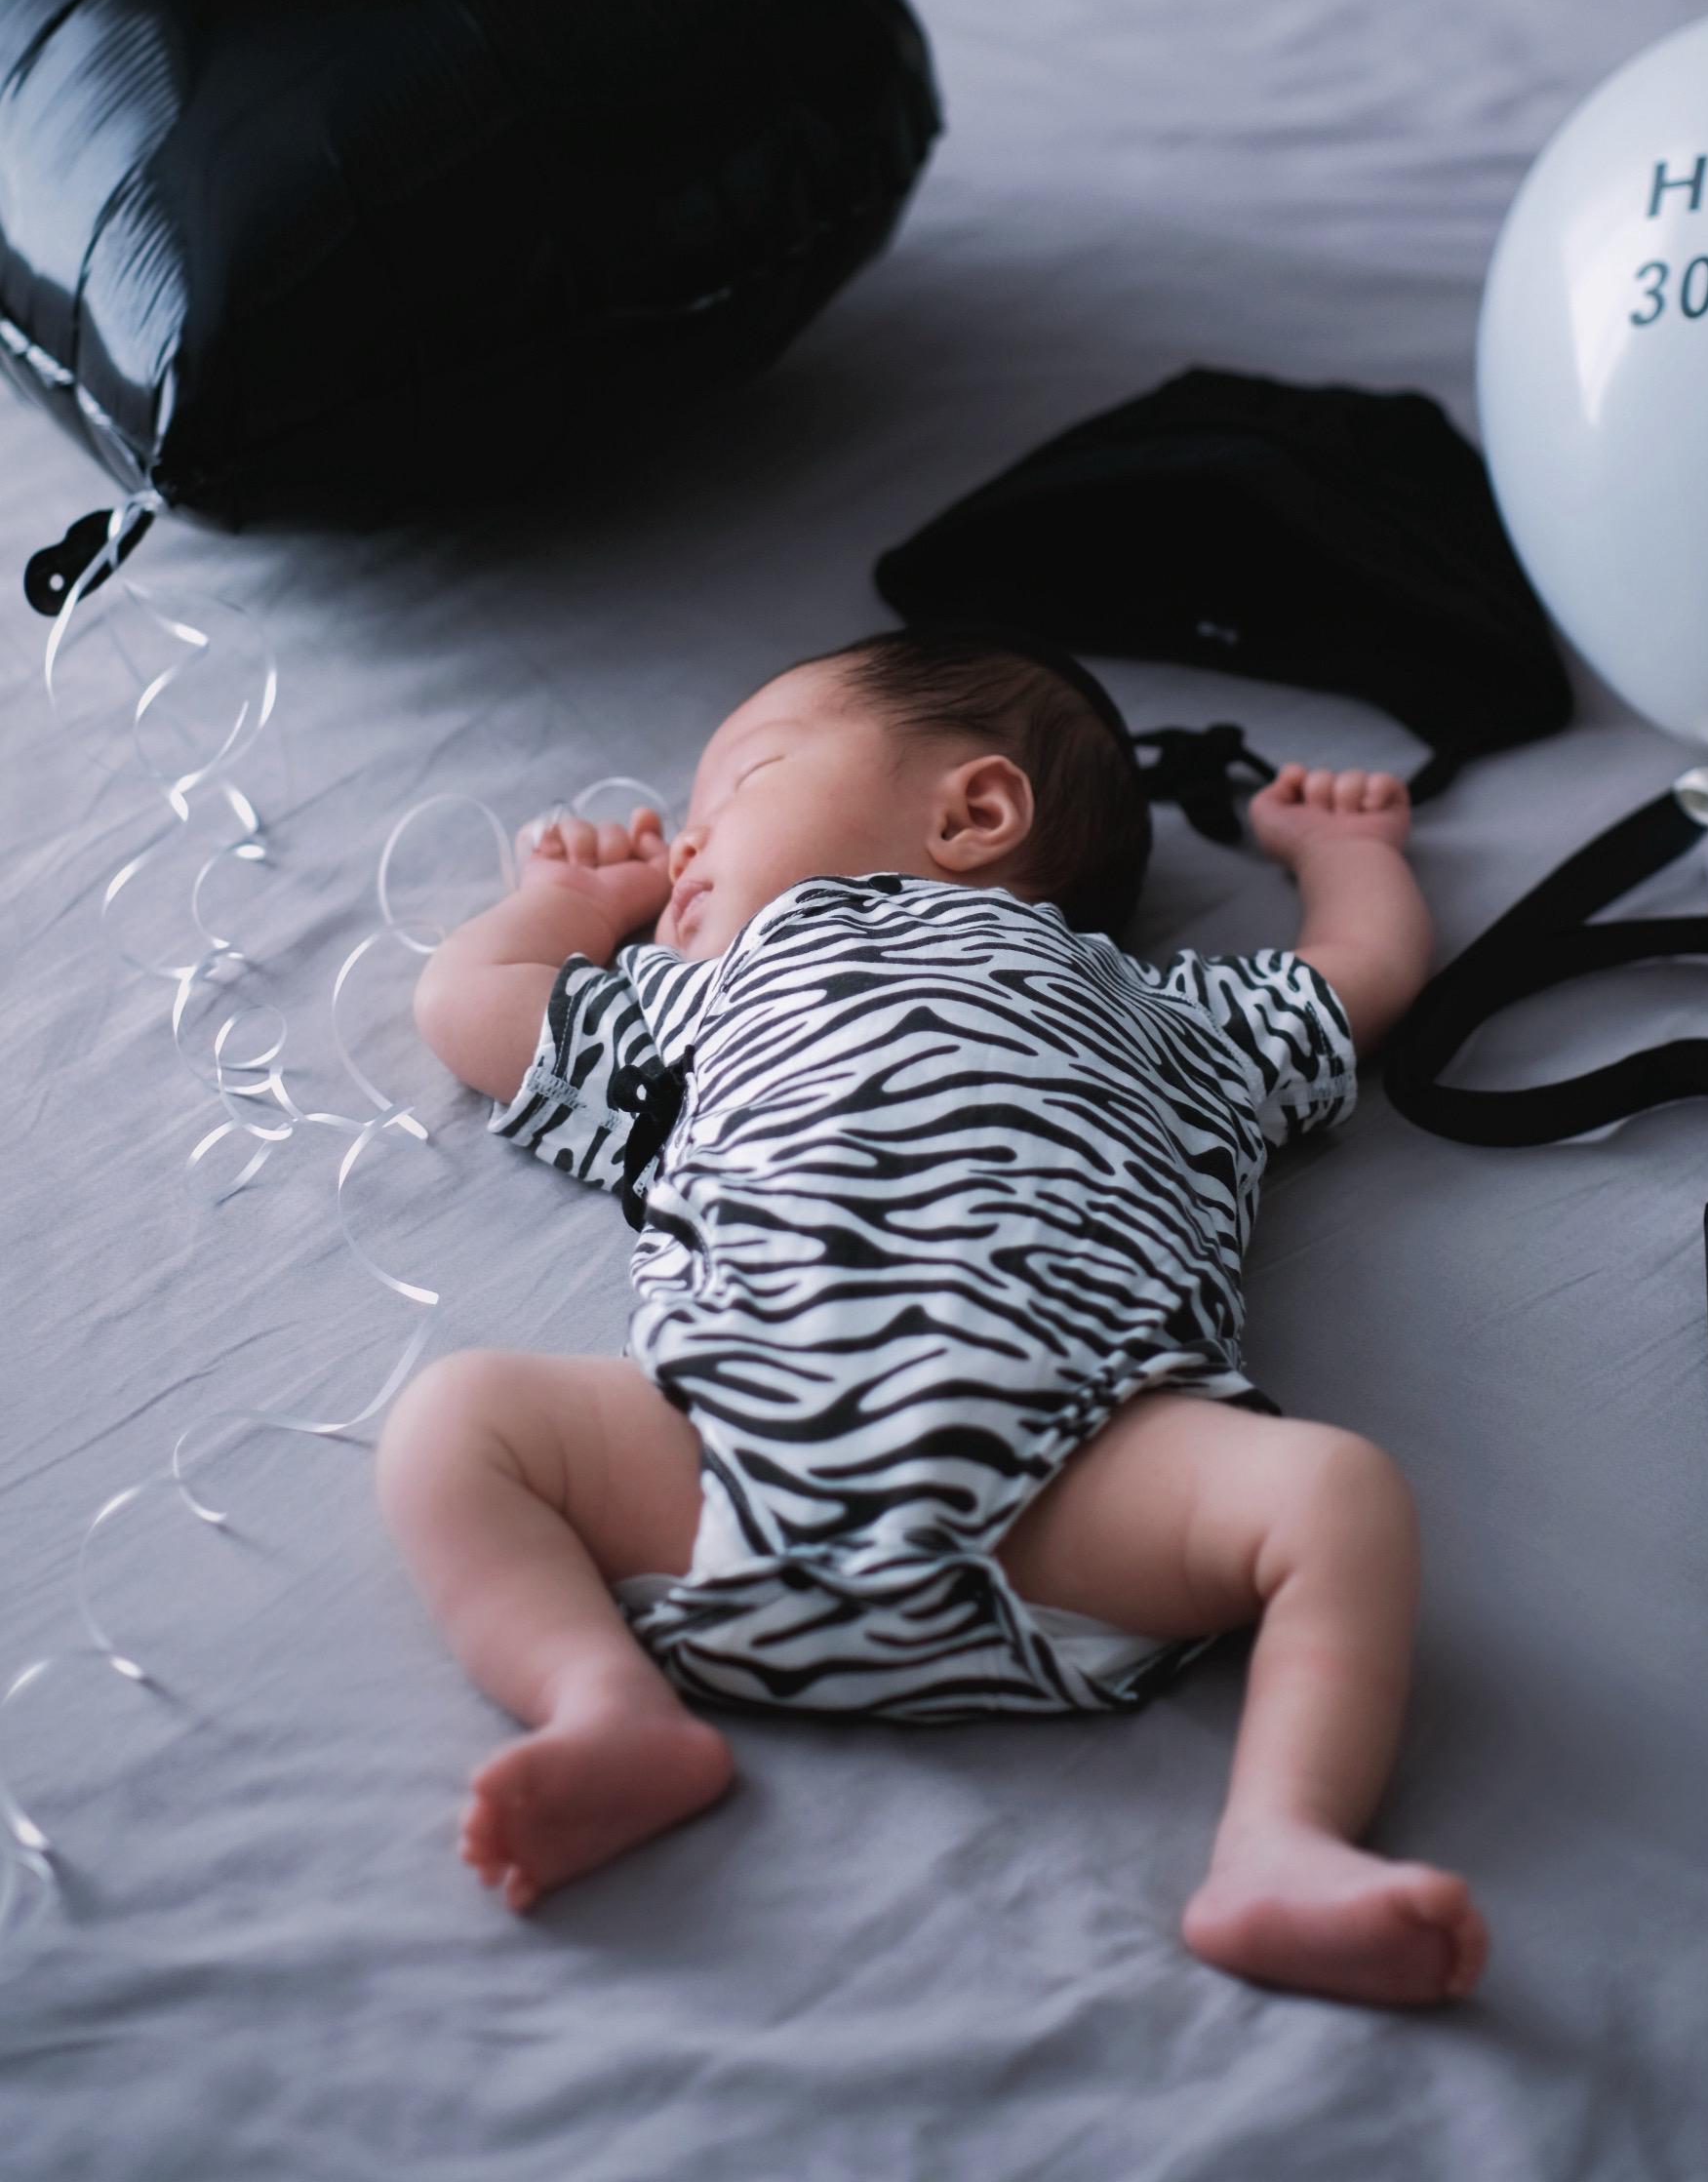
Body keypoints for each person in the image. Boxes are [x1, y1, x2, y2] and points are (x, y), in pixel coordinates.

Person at [378, 629, 1489, 2008]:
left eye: (741, 786)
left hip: (1073, 1473)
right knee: (458, 1418)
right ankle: (605, 1707)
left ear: (973, 812)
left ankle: (1281, 1841)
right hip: (727, 1450)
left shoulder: (1167, 1016)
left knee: (1336, 1495)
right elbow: (469, 1005)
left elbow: (1357, 975)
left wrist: (1344, 854)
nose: (684, 846)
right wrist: (566, 904)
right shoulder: (698, 1003)